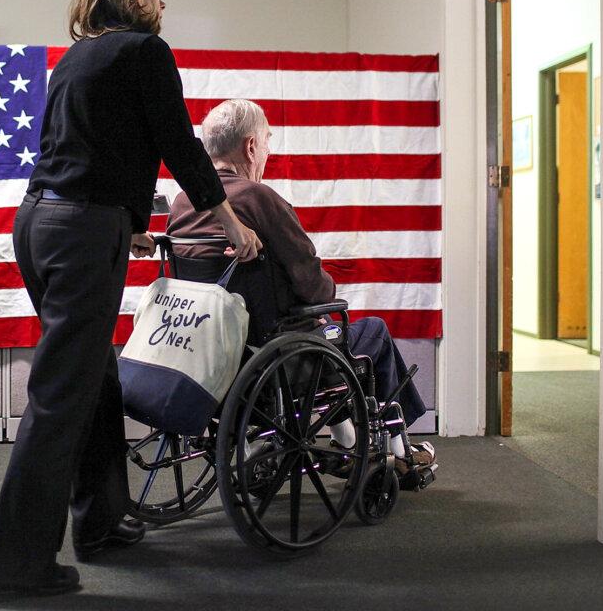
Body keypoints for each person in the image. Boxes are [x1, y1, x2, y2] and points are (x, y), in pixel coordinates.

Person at [0, 0, 262, 601]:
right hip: (81, 231)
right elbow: (179, 146)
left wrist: (129, 219)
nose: (163, 6)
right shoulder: (144, 52)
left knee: (93, 378)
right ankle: (15, 566)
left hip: (40, 223)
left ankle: (102, 521)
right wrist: (231, 224)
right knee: (59, 397)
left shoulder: (76, 58)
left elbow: (86, 148)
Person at [166, 99, 433, 468]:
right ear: (250, 146)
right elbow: (315, 286)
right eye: (267, 144)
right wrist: (324, 299)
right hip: (276, 356)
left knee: (323, 333)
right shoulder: (259, 199)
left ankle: (349, 441)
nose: (267, 154)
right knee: (372, 331)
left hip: (209, 349)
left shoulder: (182, 203)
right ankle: (399, 450)